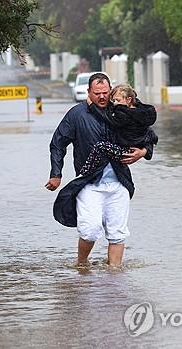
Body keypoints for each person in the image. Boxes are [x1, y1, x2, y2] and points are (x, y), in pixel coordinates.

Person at [45, 73, 154, 267]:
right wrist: (56, 174)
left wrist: (143, 152)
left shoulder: (122, 111)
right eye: (97, 93)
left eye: (105, 93)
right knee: (90, 230)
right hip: (89, 183)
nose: (102, 97)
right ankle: (81, 265)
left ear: (111, 91)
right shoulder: (77, 114)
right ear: (89, 92)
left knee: (117, 233)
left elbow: (147, 134)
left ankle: (114, 276)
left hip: (119, 182)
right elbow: (57, 143)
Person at [79, 84, 158, 176]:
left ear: (129, 99)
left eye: (118, 100)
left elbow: (107, 118)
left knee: (100, 146)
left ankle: (86, 171)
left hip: (124, 152)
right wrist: (145, 152)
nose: (115, 103)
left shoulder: (122, 114)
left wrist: (92, 105)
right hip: (125, 154)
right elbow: (151, 136)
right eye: (113, 100)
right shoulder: (141, 114)